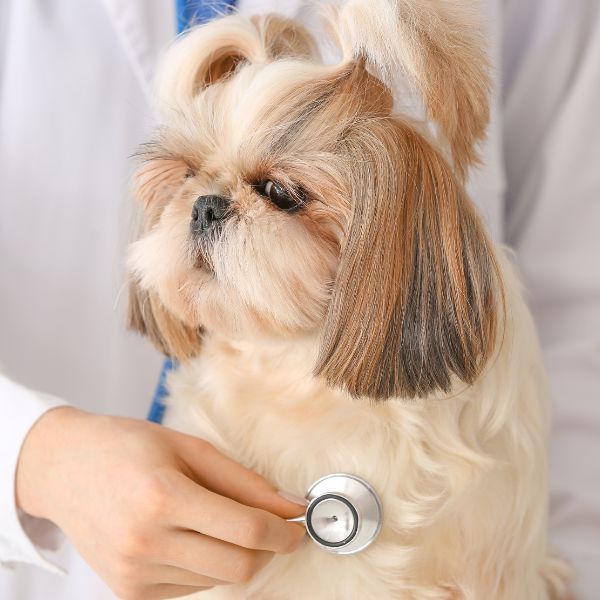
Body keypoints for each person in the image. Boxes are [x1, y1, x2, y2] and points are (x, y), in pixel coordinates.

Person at [1, 0, 598, 599]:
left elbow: (580, 308)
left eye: (282, 193)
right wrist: (35, 456)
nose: (208, 210)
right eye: (185, 180)